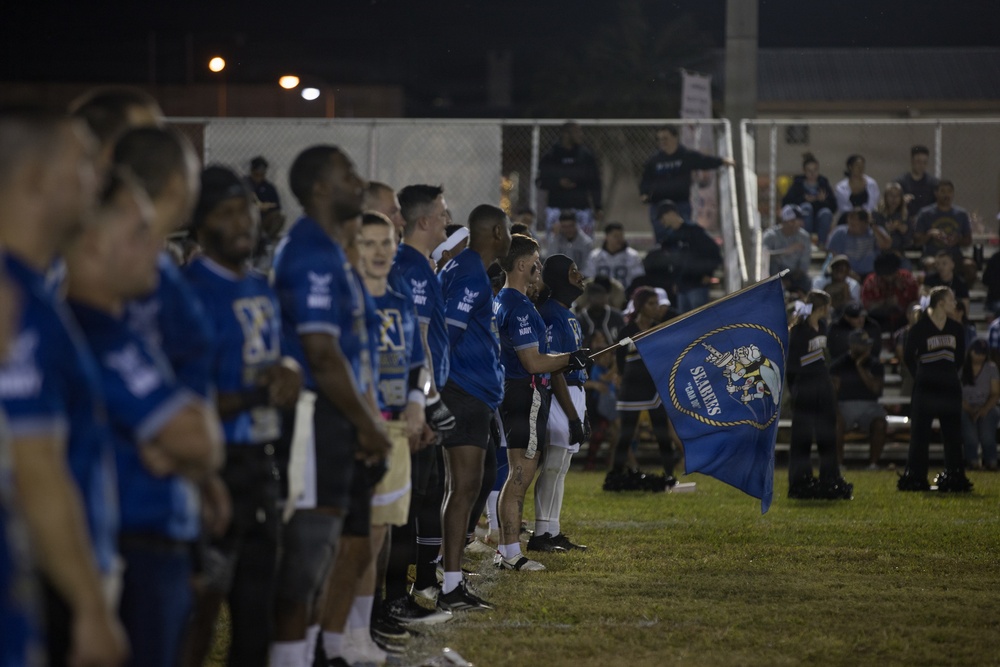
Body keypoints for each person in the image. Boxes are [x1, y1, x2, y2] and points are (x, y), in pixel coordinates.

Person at [66, 170, 224, 667]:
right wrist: (180, 438)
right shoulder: (93, 333)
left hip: (142, 537)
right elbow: (196, 437)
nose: (156, 247)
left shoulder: (118, 326)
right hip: (120, 547)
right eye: (140, 233)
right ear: (93, 242)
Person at [0, 106, 128, 667]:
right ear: (35, 179)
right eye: (83, 164)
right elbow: (34, 469)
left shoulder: (32, 292)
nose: (97, 178)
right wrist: (89, 607)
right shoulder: (15, 304)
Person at [269, 145, 391, 667]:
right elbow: (320, 353)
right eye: (347, 174)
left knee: (347, 547)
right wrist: (369, 425)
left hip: (341, 417)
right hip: (315, 420)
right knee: (309, 556)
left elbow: (351, 351)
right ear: (319, 188)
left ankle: (327, 651)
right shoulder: (310, 252)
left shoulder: (331, 252)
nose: (358, 181)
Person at [180, 166, 301, 667]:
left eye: (248, 211)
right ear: (201, 225)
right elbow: (187, 398)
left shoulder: (260, 287)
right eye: (226, 213)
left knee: (257, 610)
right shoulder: (189, 291)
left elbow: (278, 364)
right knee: (201, 609)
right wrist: (259, 393)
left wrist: (289, 370)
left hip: (260, 458)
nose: (243, 223)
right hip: (211, 463)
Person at [383, 184, 456, 628]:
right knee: (404, 508)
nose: (447, 221)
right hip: (415, 403)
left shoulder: (420, 265)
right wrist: (427, 401)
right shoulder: (410, 268)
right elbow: (419, 343)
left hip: (420, 398)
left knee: (417, 501)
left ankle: (403, 594)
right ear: (425, 220)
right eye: (444, 214)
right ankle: (394, 599)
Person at [494, 237, 587, 570]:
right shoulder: (518, 306)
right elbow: (533, 362)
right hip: (525, 391)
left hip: (516, 391)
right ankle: (509, 553)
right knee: (520, 474)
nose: (539, 267)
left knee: (518, 474)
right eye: (535, 261)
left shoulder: (508, 299)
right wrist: (568, 359)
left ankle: (507, 549)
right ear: (522, 265)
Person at [437, 204, 512, 608]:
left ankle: (450, 577)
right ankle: (449, 585)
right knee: (463, 488)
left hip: (472, 392)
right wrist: (434, 391)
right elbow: (448, 332)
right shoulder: (470, 273)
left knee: (471, 484)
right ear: (497, 233)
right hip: (463, 392)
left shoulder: (466, 268)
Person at [529, 255, 589, 553]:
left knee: (561, 466)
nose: (580, 276)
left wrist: (582, 412)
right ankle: (541, 532)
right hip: (558, 395)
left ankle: (553, 530)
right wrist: (572, 416)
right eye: (572, 271)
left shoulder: (567, 313)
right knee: (553, 464)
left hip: (574, 393)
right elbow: (553, 369)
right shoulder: (550, 313)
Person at [603, 287, 679, 492]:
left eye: (657, 303)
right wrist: (620, 376)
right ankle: (615, 477)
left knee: (662, 434)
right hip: (632, 389)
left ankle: (670, 477)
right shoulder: (627, 331)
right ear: (640, 306)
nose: (656, 308)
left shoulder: (660, 329)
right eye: (651, 304)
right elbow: (619, 360)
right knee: (626, 435)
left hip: (654, 388)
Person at [899, 287, 971, 493]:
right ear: (940, 303)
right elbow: (907, 357)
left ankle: (955, 477)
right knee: (920, 435)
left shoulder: (956, 328)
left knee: (952, 435)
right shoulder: (919, 327)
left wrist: (945, 374)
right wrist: (922, 376)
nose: (955, 304)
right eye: (951, 300)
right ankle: (916, 478)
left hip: (949, 388)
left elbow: (959, 358)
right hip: (925, 389)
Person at [785, 290, 853, 500]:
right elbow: (792, 366)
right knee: (802, 439)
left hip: (823, 387)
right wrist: (796, 389)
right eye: (828, 307)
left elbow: (824, 359)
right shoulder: (797, 331)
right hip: (805, 388)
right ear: (822, 307)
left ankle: (829, 479)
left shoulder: (823, 327)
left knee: (827, 437)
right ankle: (800, 481)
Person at [638, 125, 734, 242]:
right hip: (659, 204)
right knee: (662, 237)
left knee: (682, 235)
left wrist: (722, 161)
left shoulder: (685, 156)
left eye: (665, 138)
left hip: (680, 203)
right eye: (660, 139)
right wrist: (644, 193)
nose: (663, 142)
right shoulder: (654, 160)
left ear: (675, 138)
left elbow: (704, 161)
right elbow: (645, 179)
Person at [650, 199, 722, 312]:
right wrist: (674, 281)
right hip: (681, 288)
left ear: (670, 213)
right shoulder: (670, 237)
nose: (661, 222)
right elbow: (671, 262)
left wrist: (708, 273)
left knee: (699, 320)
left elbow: (714, 251)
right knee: (684, 323)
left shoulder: (694, 231)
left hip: (697, 284)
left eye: (662, 217)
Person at [830, 328, 887, 469]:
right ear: (852, 345)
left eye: (868, 344)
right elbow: (833, 392)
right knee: (835, 422)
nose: (867, 347)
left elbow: (876, 389)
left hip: (870, 406)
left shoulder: (875, 364)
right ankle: (839, 464)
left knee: (880, 423)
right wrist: (835, 410)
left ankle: (873, 464)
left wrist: (860, 367)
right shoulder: (838, 364)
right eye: (863, 344)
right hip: (844, 406)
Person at [536, 121, 602, 239]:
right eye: (577, 132)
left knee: (584, 243)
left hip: (581, 207)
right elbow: (540, 181)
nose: (580, 135)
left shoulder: (586, 155)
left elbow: (595, 182)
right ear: (566, 134)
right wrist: (558, 183)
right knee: (554, 244)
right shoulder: (551, 155)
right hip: (557, 207)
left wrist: (597, 207)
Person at [913, 180, 973, 275]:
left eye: (949, 191)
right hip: (932, 255)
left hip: (955, 256)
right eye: (943, 191)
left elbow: (968, 241)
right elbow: (917, 241)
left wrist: (958, 239)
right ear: (936, 193)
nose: (946, 195)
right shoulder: (925, 214)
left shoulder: (962, 214)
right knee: (930, 263)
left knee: (969, 266)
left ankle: (962, 289)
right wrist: (930, 234)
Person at [781, 152, 837, 246]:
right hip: (803, 221)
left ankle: (821, 244)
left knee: (826, 213)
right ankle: (806, 243)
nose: (812, 174)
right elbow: (786, 203)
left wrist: (823, 201)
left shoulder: (823, 184)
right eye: (809, 170)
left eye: (815, 170)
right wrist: (803, 199)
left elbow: (834, 207)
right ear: (804, 171)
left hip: (820, 221)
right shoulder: (798, 184)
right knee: (806, 207)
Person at [960, 339, 1000, 471]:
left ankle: (991, 461)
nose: (980, 356)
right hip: (965, 407)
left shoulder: (991, 368)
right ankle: (972, 461)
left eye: (982, 354)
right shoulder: (961, 368)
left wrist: (984, 409)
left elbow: (995, 393)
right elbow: (957, 394)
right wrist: (971, 410)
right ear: (970, 352)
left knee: (987, 435)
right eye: (977, 353)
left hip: (986, 406)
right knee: (970, 435)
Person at [824, 208, 892, 280]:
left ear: (864, 223)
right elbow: (834, 255)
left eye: (854, 225)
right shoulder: (839, 233)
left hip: (870, 274)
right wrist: (848, 273)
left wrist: (873, 227)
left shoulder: (874, 232)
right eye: (849, 223)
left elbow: (886, 245)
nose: (850, 227)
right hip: (846, 274)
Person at [861, 252, 920, 334]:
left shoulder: (907, 278)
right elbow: (867, 305)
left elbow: (915, 300)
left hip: (904, 317)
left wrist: (900, 299)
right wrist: (884, 303)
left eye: (891, 274)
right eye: (886, 275)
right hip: (880, 318)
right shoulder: (871, 281)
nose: (889, 278)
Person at [763, 204, 812, 296]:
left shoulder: (804, 237)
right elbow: (763, 256)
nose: (801, 223)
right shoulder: (771, 235)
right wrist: (785, 251)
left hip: (794, 275)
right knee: (774, 263)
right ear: (789, 221)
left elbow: (804, 266)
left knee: (806, 281)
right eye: (798, 220)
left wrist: (789, 281)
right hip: (774, 274)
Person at [585, 221, 644, 289]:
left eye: (621, 236)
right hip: (599, 296)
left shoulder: (633, 256)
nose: (619, 239)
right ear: (606, 237)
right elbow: (589, 279)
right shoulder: (595, 256)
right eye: (615, 236)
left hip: (625, 296)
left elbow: (638, 279)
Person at [873, 182, 914, 264]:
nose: (894, 198)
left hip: (898, 253)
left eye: (897, 195)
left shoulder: (905, 215)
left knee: (906, 266)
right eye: (891, 195)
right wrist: (886, 231)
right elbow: (873, 238)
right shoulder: (877, 214)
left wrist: (902, 230)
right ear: (885, 197)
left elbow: (908, 242)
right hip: (879, 252)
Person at [897, 145, 939, 222]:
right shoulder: (900, 182)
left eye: (925, 162)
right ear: (912, 161)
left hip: (927, 223)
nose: (921, 165)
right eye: (918, 162)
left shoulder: (934, 184)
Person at [576, 280, 626, 344]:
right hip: (589, 353)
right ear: (589, 298)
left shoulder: (617, 316)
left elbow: (624, 340)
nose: (599, 301)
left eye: (601, 297)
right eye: (596, 297)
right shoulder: (580, 319)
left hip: (613, 353)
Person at [922, 250, 970, 314]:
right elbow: (923, 299)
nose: (940, 267)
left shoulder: (960, 283)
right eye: (938, 264)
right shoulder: (930, 280)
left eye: (944, 263)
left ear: (952, 265)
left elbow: (965, 306)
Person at [833, 154, 879, 220]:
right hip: (848, 218)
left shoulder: (872, 184)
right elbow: (843, 207)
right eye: (857, 166)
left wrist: (865, 214)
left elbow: (874, 203)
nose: (860, 169)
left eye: (862, 166)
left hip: (868, 217)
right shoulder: (841, 187)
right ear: (850, 167)